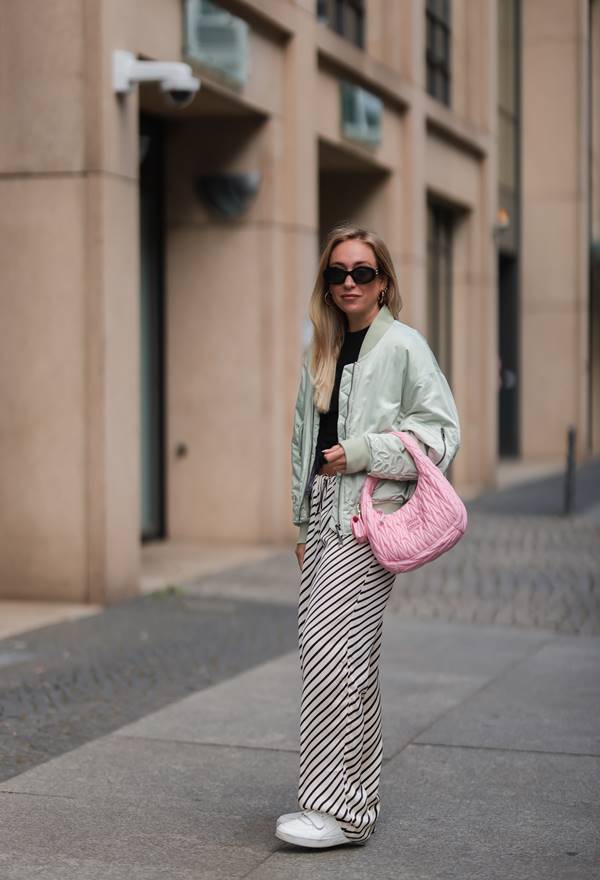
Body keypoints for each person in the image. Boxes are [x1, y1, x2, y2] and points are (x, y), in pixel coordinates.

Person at [275, 224, 461, 849]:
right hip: (322, 519)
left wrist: (360, 452)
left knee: (335, 659)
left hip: (368, 518)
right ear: (325, 285)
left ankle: (337, 810)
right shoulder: (320, 351)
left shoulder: (405, 347)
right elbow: (303, 440)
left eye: (361, 272)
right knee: (338, 658)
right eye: (337, 273)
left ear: (383, 282)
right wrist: (301, 519)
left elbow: (440, 437)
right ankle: (352, 803)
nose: (348, 283)